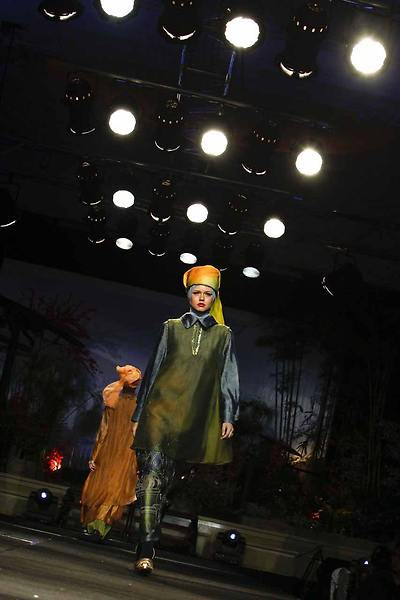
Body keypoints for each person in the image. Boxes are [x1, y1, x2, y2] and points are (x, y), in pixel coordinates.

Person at [132, 264, 240, 573]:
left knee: (165, 485)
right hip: (159, 411)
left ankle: (149, 536)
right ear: (188, 295)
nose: (202, 298)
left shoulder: (223, 335)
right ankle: (147, 549)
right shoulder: (170, 328)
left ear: (214, 297)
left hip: (192, 419)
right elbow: (153, 370)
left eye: (208, 293)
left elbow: (228, 377)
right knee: (150, 478)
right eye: (197, 292)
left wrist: (228, 414)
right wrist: (139, 413)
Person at [80, 364, 142, 540]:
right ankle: (99, 527)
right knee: (114, 488)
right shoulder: (137, 406)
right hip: (124, 453)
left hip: (112, 451)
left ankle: (95, 526)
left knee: (103, 487)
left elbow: (103, 429)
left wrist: (94, 455)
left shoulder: (114, 400)